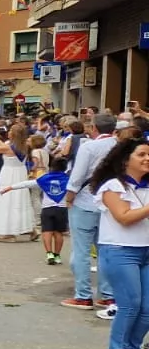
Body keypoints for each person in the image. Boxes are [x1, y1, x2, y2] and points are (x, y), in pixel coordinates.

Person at [87, 137, 149, 349]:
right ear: (125, 160)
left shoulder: (146, 185)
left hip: (145, 249)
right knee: (130, 305)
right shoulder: (112, 186)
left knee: (147, 307)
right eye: (141, 155)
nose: (147, 159)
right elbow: (123, 217)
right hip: (120, 250)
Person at [64, 112, 120, 311]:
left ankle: (83, 295)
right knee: (105, 250)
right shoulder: (121, 146)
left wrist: (69, 197)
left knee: (81, 251)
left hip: (86, 201)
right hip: (111, 203)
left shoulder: (89, 147)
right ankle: (108, 295)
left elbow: (77, 176)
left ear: (94, 128)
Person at [1, 156, 71, 264]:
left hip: (47, 209)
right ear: (65, 168)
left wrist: (10, 187)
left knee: (47, 232)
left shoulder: (45, 178)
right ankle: (57, 255)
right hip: (61, 209)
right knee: (58, 233)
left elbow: (27, 183)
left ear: (52, 167)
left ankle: (49, 254)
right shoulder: (68, 180)